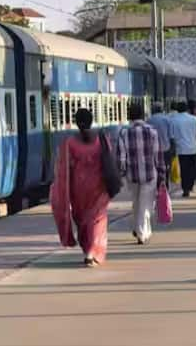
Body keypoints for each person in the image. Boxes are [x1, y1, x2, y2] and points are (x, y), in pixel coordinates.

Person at [51, 108, 111, 267]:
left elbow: (62, 169)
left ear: (76, 123)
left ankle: (87, 250)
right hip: (99, 186)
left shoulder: (69, 143)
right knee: (97, 219)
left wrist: (61, 190)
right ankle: (93, 251)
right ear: (92, 121)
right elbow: (110, 161)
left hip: (78, 188)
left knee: (82, 220)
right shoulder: (101, 139)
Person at [118, 103, 166, 245]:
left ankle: (139, 228)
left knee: (136, 202)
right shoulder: (152, 132)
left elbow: (121, 157)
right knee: (146, 204)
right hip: (150, 173)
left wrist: (121, 172)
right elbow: (158, 154)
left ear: (129, 116)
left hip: (131, 175)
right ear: (143, 115)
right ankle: (141, 233)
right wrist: (162, 172)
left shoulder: (124, 133)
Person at [171, 101, 196, 197]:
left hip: (181, 149)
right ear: (187, 109)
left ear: (177, 109)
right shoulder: (193, 119)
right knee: (192, 168)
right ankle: (189, 186)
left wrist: (173, 149)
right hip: (193, 148)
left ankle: (185, 188)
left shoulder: (174, 120)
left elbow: (172, 137)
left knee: (183, 169)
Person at [146, 101, 175, 185]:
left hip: (153, 149)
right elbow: (171, 136)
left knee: (155, 167)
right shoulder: (167, 119)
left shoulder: (149, 120)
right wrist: (173, 148)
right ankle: (165, 181)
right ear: (161, 109)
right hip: (166, 148)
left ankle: (158, 182)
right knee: (166, 166)